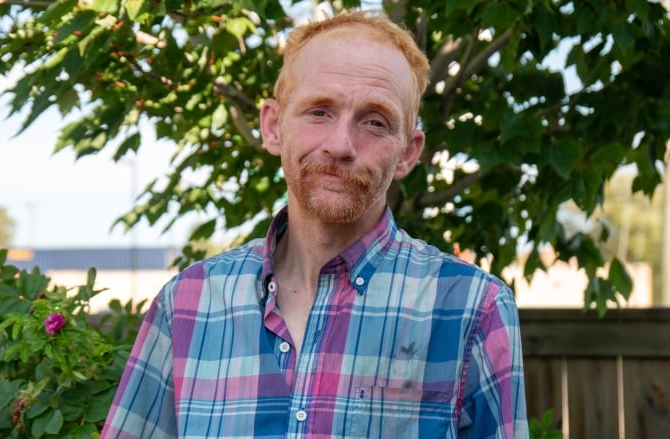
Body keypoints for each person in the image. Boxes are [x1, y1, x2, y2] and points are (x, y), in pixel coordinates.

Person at [102, 9, 528, 439]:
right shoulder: (188, 305)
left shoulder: (473, 308)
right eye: (319, 112)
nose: (340, 145)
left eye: (375, 121)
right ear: (273, 127)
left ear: (407, 153)